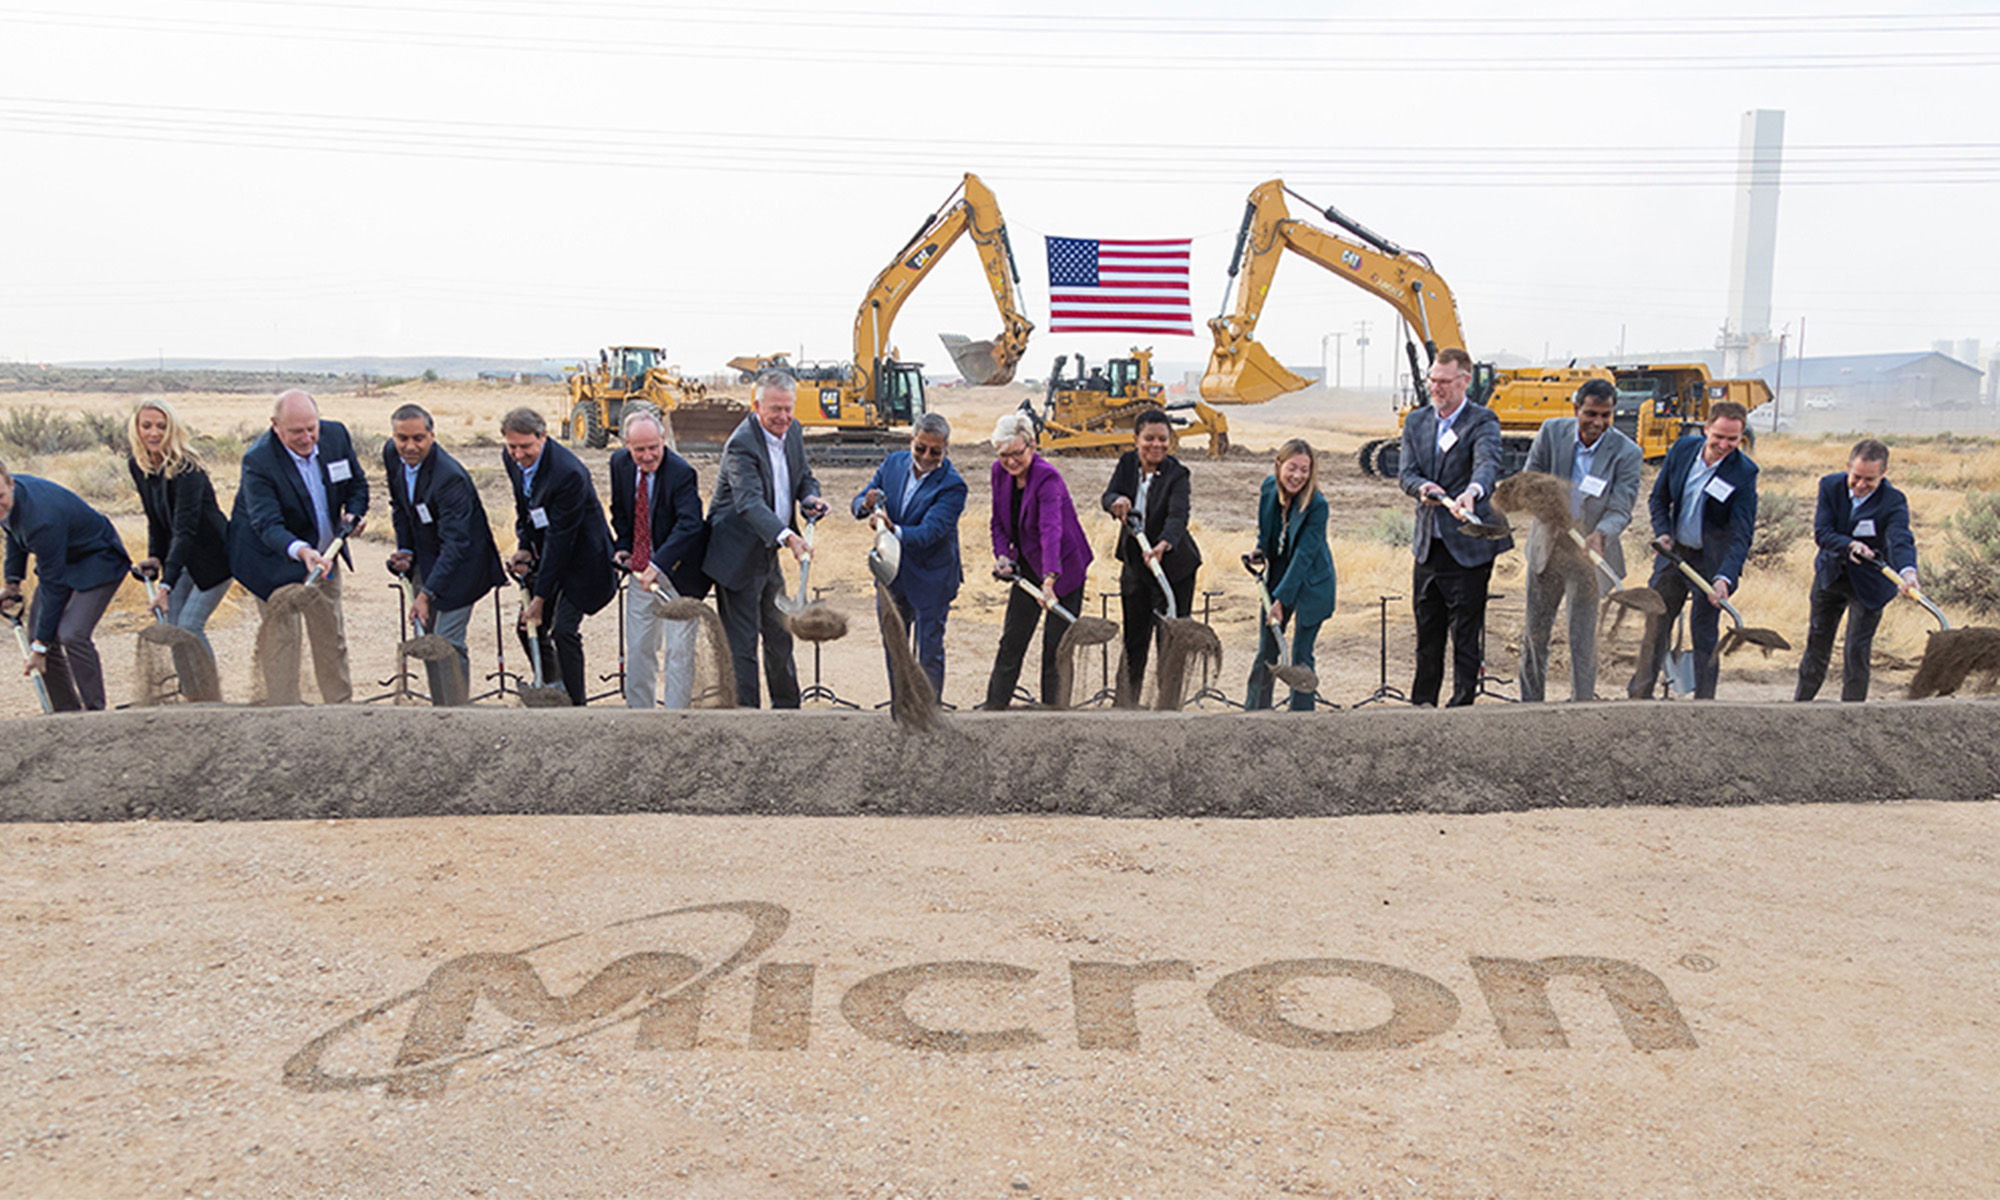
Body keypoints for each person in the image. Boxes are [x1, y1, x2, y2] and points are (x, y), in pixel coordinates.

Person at [227, 389, 369, 703]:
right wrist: (302, 551)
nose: (306, 438)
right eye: (296, 432)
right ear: (275, 425)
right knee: (283, 639)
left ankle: (339, 708)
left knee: (330, 634)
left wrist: (353, 515)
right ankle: (284, 710)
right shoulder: (259, 460)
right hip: (273, 556)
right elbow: (267, 524)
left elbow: (357, 484)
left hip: (325, 557)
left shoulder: (335, 436)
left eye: (311, 428)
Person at [703, 370, 826, 709]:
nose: (783, 417)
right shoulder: (741, 444)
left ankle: (788, 714)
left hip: (767, 553)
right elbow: (749, 503)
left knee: (779, 636)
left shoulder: (793, 430)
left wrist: (810, 498)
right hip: (736, 557)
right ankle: (748, 721)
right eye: (776, 409)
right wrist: (789, 537)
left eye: (789, 409)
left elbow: (803, 477)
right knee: (742, 647)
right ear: (756, 405)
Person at [1397, 347, 1513, 706]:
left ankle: (1462, 710)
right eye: (1433, 380)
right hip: (1428, 546)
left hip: (1468, 547)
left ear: (1464, 381)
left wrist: (1471, 494)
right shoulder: (1416, 422)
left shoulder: (1482, 421)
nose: (1436, 387)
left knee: (1465, 636)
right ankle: (1422, 706)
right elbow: (1407, 474)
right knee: (1427, 637)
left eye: (1444, 382)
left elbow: (1487, 464)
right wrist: (1422, 488)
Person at [1518, 379, 1643, 702]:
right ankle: (1529, 708)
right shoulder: (1551, 433)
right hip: (1547, 549)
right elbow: (1530, 480)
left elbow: (1620, 507)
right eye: (1591, 413)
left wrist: (1601, 533)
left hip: (1589, 557)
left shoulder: (1627, 453)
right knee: (1535, 634)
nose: (1598, 423)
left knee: (1583, 639)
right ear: (1576, 409)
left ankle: (1582, 708)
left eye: (1606, 415)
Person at [1628, 401, 1759, 700]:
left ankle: (1704, 706)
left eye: (1733, 439)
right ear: (1706, 429)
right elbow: (1659, 499)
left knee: (1705, 635)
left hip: (1709, 562)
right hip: (1673, 555)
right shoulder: (1682, 450)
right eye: (1719, 437)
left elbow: (1741, 535)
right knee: (1655, 626)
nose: (1725, 445)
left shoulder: (1744, 472)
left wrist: (1724, 578)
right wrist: (1663, 534)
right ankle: (1638, 699)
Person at [383, 403, 507, 703]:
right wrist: (406, 549)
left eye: (418, 439)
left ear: (432, 436)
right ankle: (441, 708)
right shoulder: (392, 455)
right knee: (427, 640)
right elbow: (400, 506)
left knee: (447, 643)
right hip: (427, 557)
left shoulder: (449, 478)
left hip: (463, 566)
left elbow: (457, 544)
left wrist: (426, 594)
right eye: (403, 439)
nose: (410, 446)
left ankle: (455, 712)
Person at [501, 407, 617, 707]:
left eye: (526, 446)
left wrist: (539, 599)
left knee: (564, 630)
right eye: (512, 446)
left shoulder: (568, 473)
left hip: (584, 560)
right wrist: (524, 545)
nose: (518, 454)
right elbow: (524, 508)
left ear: (543, 437)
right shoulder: (512, 459)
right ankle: (554, 689)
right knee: (526, 628)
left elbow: (560, 540)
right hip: (549, 553)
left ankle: (576, 706)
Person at [0, 457, 130, 711]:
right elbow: (13, 532)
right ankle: (66, 714)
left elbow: (53, 585)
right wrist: (13, 583)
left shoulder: (42, 519)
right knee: (37, 631)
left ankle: (95, 714)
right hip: (64, 558)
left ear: (11, 483)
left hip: (98, 559)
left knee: (72, 633)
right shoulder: (10, 501)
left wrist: (39, 648)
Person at [852, 412, 966, 700]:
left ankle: (927, 715)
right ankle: (902, 711)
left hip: (932, 577)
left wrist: (893, 530)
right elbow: (861, 498)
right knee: (895, 647)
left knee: (928, 652)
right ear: (911, 440)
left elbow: (930, 532)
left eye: (935, 451)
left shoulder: (953, 485)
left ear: (945, 449)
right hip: (892, 576)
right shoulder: (893, 463)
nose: (926, 456)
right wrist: (865, 504)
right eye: (920, 448)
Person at [1795, 439, 1918, 702]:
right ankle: (1801, 705)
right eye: (1857, 477)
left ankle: (1852, 713)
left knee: (1856, 649)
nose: (1861, 485)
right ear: (1848, 466)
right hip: (1831, 576)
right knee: (1817, 641)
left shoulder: (1894, 501)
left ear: (1883, 474)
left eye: (1870, 480)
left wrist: (1907, 572)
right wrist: (1850, 544)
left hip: (1870, 584)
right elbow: (1823, 533)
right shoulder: (1830, 486)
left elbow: (1900, 539)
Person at [984, 411, 1092, 709]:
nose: (1011, 461)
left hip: (1063, 568)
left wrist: (1050, 579)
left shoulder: (1047, 478)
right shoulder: (998, 472)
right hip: (1027, 566)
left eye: (1018, 453)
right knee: (1012, 640)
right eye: (1004, 455)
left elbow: (1050, 531)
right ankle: (994, 708)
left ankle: (1054, 716)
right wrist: (1003, 557)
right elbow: (998, 523)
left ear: (1032, 447)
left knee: (1055, 649)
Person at [610, 408, 707, 710]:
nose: (648, 455)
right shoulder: (619, 464)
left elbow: (691, 524)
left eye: (654, 447)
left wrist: (658, 564)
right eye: (640, 449)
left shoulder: (682, 473)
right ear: (626, 444)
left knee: (678, 652)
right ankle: (640, 717)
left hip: (679, 573)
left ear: (663, 439)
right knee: (639, 648)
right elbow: (622, 512)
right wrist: (624, 546)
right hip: (640, 570)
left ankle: (674, 720)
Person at [1101, 409, 1202, 700]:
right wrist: (1115, 501)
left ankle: (1168, 706)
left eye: (1163, 439)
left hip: (1173, 568)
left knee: (1170, 640)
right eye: (1149, 438)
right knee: (1134, 637)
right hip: (1136, 564)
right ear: (1136, 439)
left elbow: (1178, 515)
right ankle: (1126, 703)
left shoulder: (1178, 473)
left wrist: (1163, 544)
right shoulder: (1126, 463)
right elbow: (1108, 496)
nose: (1156, 445)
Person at [125, 398, 231, 666]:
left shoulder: (187, 468)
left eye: (161, 426)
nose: (154, 433)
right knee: (173, 626)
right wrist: (154, 557)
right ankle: (190, 694)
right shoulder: (140, 465)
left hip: (215, 557)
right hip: (183, 558)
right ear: (136, 429)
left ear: (172, 429)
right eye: (146, 426)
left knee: (189, 626)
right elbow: (155, 518)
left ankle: (208, 693)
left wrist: (165, 584)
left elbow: (185, 528)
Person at [1246, 439, 1336, 711]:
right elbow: (1266, 529)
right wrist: (1260, 549)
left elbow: (1304, 557)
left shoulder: (1317, 505)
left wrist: (1281, 600)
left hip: (1312, 583)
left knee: (1300, 655)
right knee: (1268, 650)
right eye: (1292, 468)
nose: (1298, 476)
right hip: (1279, 575)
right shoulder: (1269, 489)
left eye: (1305, 470)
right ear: (1279, 465)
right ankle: (1255, 713)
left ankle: (1301, 717)